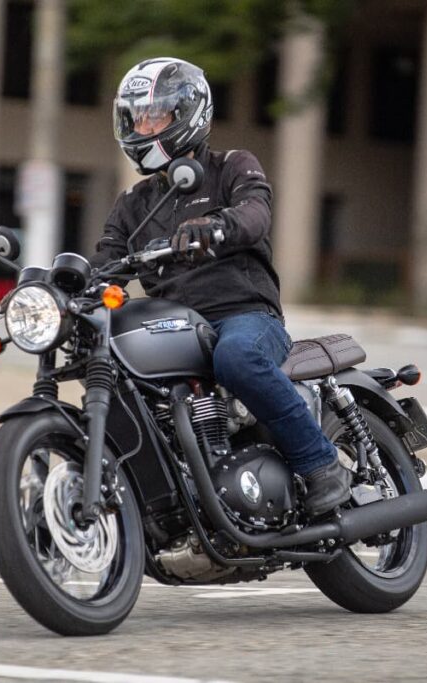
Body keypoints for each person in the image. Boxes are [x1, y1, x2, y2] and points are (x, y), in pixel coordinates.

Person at [91, 57, 350, 517]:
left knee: (236, 356)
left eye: (155, 116)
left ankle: (321, 464)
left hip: (244, 315)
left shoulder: (232, 166)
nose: (143, 127)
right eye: (137, 118)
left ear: (188, 113)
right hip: (176, 325)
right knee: (114, 372)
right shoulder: (133, 203)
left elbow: (256, 213)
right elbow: (106, 259)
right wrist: (61, 282)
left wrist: (216, 226)